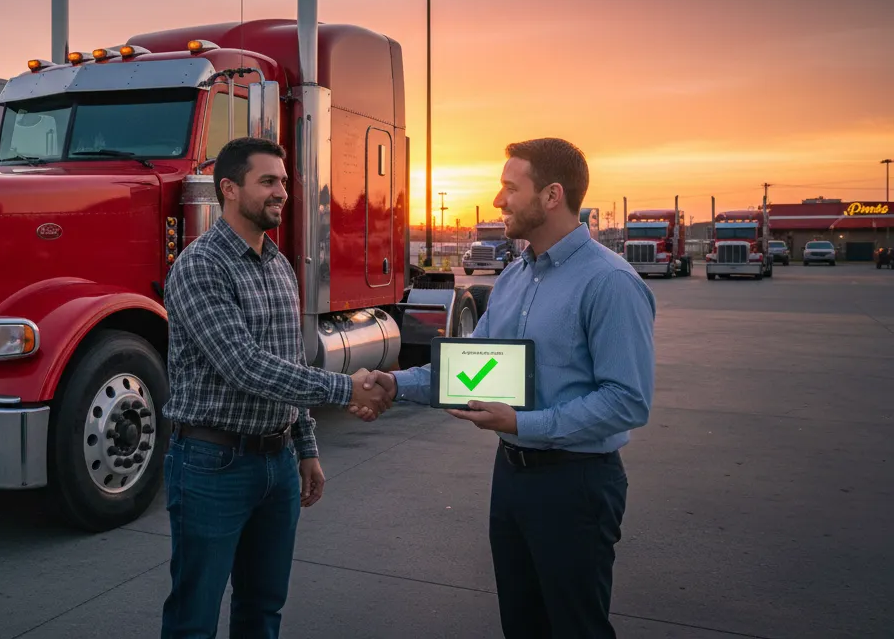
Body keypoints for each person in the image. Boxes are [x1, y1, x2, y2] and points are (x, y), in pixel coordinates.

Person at [361, 137, 656, 639]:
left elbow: (626, 400)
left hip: (577, 484)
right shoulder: (515, 279)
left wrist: (523, 423)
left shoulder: (610, 282)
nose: (498, 201)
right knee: (521, 624)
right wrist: (393, 383)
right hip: (513, 478)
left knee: (575, 627)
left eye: (509, 187)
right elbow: (468, 369)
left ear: (552, 195)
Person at [160, 136, 393, 639]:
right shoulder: (200, 266)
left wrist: (305, 447)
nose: (281, 193)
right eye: (267, 181)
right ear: (228, 189)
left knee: (263, 610)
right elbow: (244, 367)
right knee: (193, 616)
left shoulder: (280, 266)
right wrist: (346, 389)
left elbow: (287, 364)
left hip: (278, 464)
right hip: (211, 465)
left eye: (283, 182)